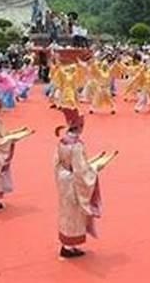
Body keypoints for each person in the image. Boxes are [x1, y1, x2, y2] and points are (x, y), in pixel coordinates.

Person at [54, 108, 106, 258]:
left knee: (67, 212)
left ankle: (67, 243)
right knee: (75, 214)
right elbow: (81, 170)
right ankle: (69, 246)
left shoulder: (62, 141)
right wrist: (95, 168)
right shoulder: (76, 145)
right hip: (74, 182)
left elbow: (57, 162)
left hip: (64, 178)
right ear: (79, 126)